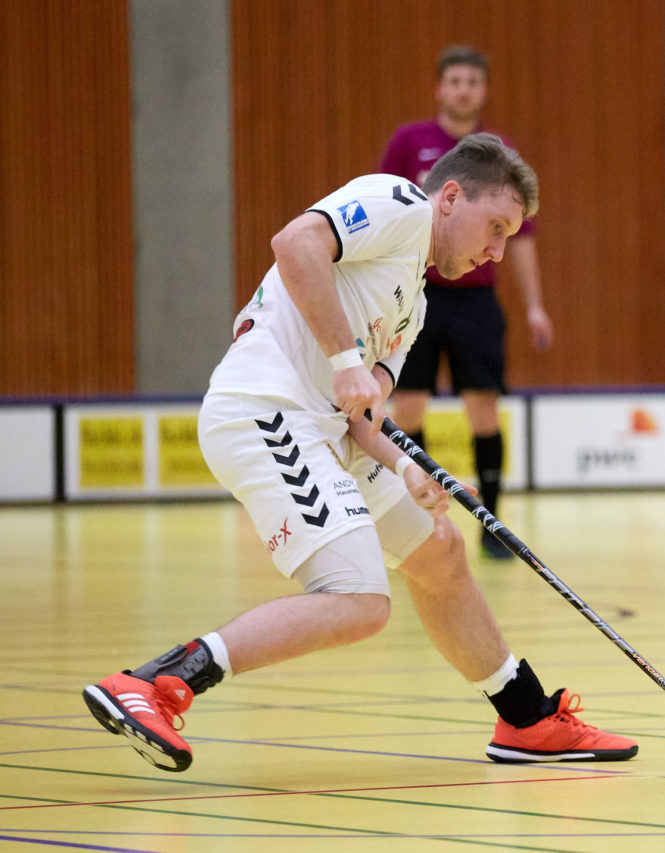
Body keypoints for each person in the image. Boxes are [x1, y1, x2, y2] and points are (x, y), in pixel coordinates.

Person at [81, 133, 636, 773]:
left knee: (440, 549)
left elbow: (363, 414)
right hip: (266, 410)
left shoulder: (415, 304)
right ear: (451, 196)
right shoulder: (398, 202)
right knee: (359, 600)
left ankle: (527, 718)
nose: (498, 252)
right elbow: (294, 244)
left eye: (510, 236)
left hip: (324, 430)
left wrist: (412, 470)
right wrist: (347, 362)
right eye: (496, 226)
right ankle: (155, 684)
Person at [379, 45, 552, 561]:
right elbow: (390, 211)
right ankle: (414, 519)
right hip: (418, 293)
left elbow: (521, 237)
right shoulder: (410, 142)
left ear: (483, 90)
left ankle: (492, 525)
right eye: (454, 81)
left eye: (472, 82)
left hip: (476, 299)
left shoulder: (498, 151)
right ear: (440, 88)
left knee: (483, 406)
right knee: (407, 405)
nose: (463, 90)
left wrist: (535, 306)